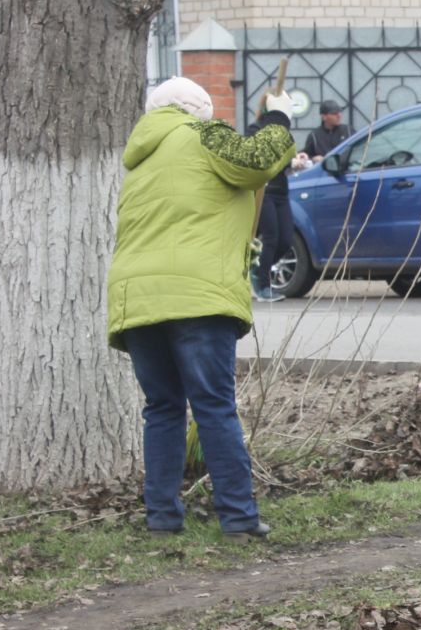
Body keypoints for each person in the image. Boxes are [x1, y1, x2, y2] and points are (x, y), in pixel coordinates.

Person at [106, 76, 300, 539]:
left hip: (137, 300)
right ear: (198, 110)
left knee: (163, 407)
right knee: (213, 405)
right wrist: (278, 117)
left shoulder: (143, 158)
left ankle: (162, 518)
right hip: (195, 296)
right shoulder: (201, 134)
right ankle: (238, 518)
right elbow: (258, 163)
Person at [246, 99, 295, 301]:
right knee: (271, 236)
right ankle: (263, 283)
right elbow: (254, 156)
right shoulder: (255, 129)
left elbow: (286, 159)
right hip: (263, 190)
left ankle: (258, 269)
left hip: (281, 191)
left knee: (286, 239)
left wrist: (295, 162)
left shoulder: (284, 131)